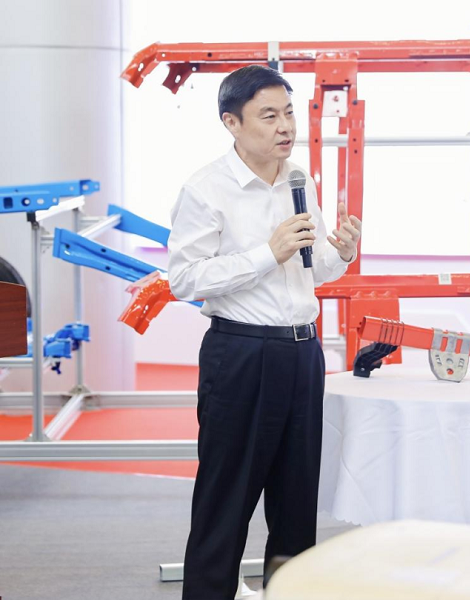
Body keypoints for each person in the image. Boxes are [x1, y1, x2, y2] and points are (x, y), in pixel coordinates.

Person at [168, 65, 362, 599]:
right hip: (242, 353)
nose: (285, 126)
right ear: (231, 122)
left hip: (303, 353)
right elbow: (184, 279)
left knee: (296, 504)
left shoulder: (299, 178)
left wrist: (341, 254)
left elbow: (310, 269)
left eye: (289, 113)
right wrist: (264, 254)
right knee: (225, 504)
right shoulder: (207, 189)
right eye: (269, 115)